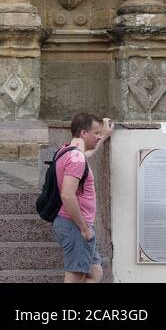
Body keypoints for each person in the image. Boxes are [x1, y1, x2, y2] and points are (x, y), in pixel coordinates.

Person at [52, 111, 114, 284]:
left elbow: (86, 155)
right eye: (96, 133)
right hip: (76, 226)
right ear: (83, 133)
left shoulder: (66, 151)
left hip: (73, 224)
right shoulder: (76, 159)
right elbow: (67, 194)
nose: (98, 136)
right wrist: (84, 228)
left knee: (95, 274)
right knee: (75, 278)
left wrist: (105, 136)